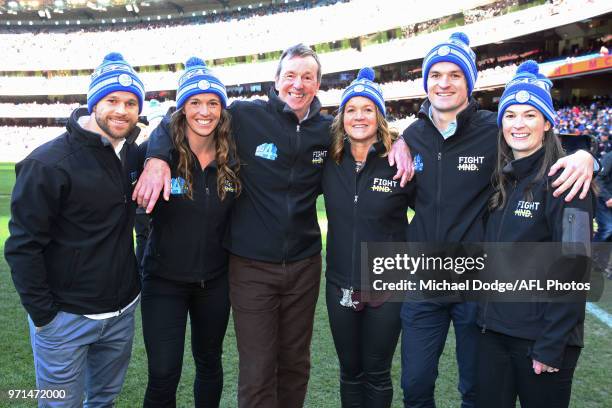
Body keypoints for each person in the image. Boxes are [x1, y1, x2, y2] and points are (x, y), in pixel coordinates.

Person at [135, 43, 410, 408]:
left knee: (296, 363)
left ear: (318, 85)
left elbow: (370, 133)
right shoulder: (245, 117)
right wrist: (156, 156)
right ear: (276, 81)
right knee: (258, 367)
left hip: (305, 263)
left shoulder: (327, 131)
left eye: (308, 77)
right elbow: (187, 116)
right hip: (250, 264)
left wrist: (404, 140)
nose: (298, 84)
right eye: (291, 76)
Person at [400, 33, 594, 408]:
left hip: (476, 288)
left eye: (455, 74)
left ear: (470, 83)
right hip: (426, 281)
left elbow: (547, 143)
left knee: (477, 390)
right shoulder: (411, 134)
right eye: (436, 74)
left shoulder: (494, 128)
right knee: (415, 384)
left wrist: (587, 156)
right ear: (425, 81)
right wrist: (397, 141)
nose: (444, 82)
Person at [4, 52, 144, 407]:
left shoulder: (132, 155)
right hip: (65, 318)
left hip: (120, 312)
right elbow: (22, 246)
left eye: (131, 102)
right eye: (112, 100)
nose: (122, 110)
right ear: (93, 101)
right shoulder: (48, 163)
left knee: (103, 402)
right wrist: (45, 317)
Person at [476, 60, 593, 408]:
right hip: (493, 334)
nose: (518, 124)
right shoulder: (503, 178)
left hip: (541, 343)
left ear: (546, 123)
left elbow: (575, 268)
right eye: (510, 115)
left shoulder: (567, 182)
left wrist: (551, 344)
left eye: (529, 114)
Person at [139, 57, 240, 408]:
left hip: (215, 282)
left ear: (222, 109)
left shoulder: (233, 156)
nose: (204, 111)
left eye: (213, 102)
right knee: (164, 373)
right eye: (194, 102)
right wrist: (157, 154)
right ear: (181, 109)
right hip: (163, 282)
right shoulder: (156, 154)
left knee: (209, 363)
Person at [322, 68, 414, 407]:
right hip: (340, 284)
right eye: (351, 109)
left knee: (377, 372)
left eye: (368, 109)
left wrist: (404, 141)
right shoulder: (329, 160)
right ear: (341, 117)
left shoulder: (400, 162)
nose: (359, 116)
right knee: (350, 372)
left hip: (387, 285)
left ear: (380, 116)